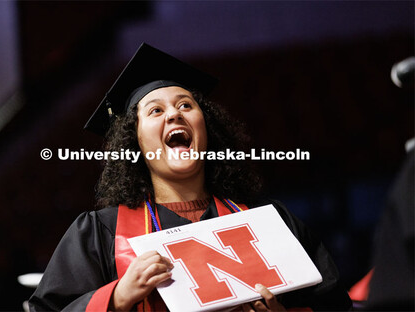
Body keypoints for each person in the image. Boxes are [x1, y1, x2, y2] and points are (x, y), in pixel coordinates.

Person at [29, 43, 352, 311]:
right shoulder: (100, 233)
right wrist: (116, 298)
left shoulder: (268, 220)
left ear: (206, 129)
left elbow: (335, 305)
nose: (174, 113)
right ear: (135, 142)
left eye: (186, 105)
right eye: (155, 111)